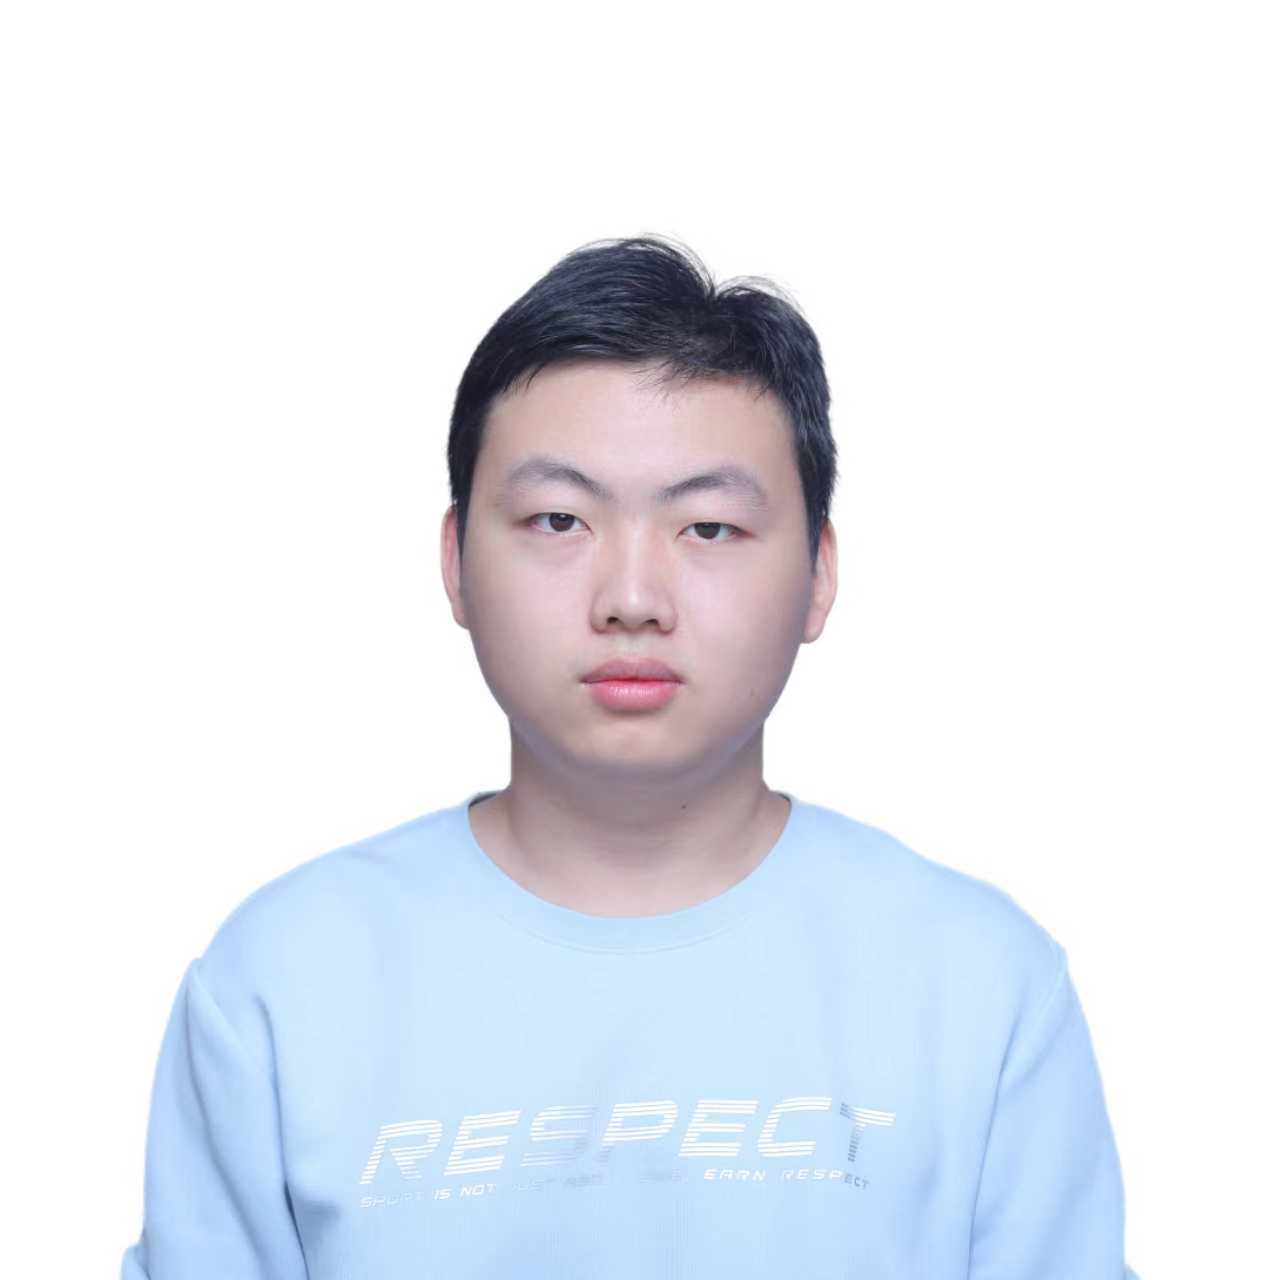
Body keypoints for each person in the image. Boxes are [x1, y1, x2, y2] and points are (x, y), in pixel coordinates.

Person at [120, 234, 1139, 1277]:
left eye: (708, 528)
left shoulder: (977, 985)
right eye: (558, 519)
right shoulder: (284, 983)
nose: (632, 598)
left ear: (819, 573)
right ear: (456, 562)